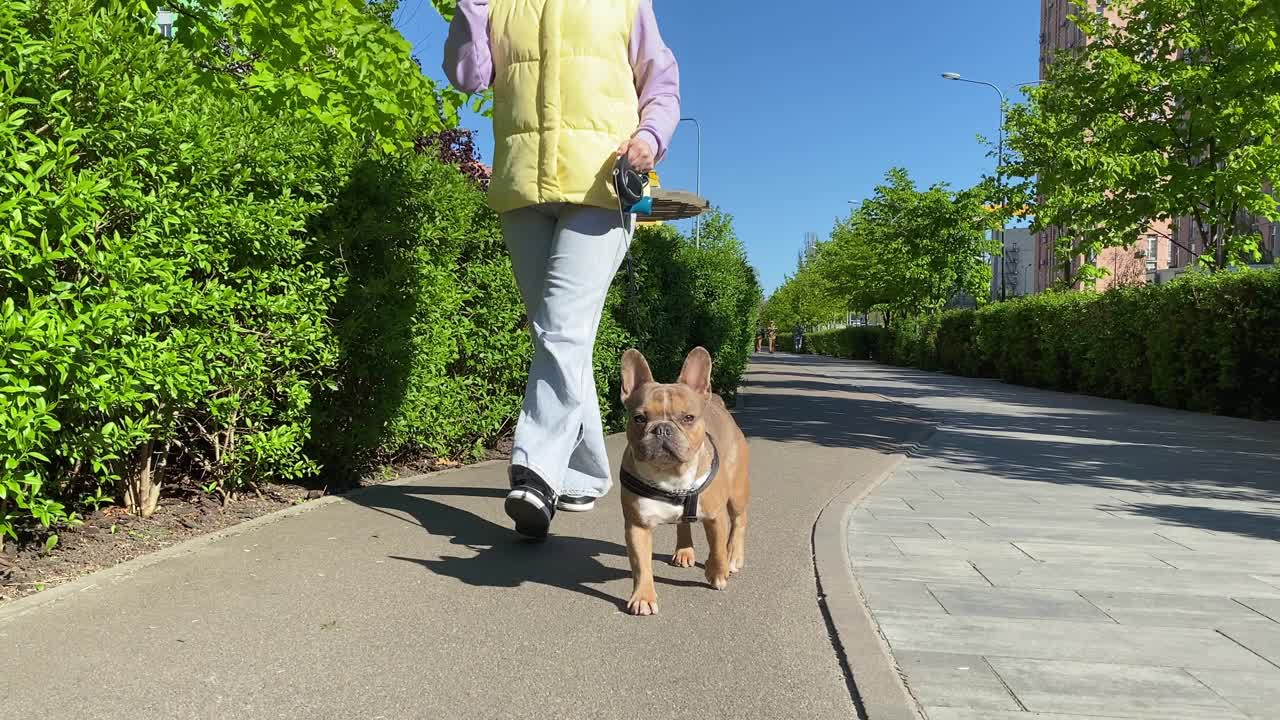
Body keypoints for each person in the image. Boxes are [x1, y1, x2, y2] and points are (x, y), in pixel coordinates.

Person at [444, 0, 680, 538]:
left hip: (601, 189)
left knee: (562, 331)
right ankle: (587, 472)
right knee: (556, 336)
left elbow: (662, 84)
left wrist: (649, 138)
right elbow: (467, 77)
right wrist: (470, 9)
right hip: (522, 187)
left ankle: (535, 471)